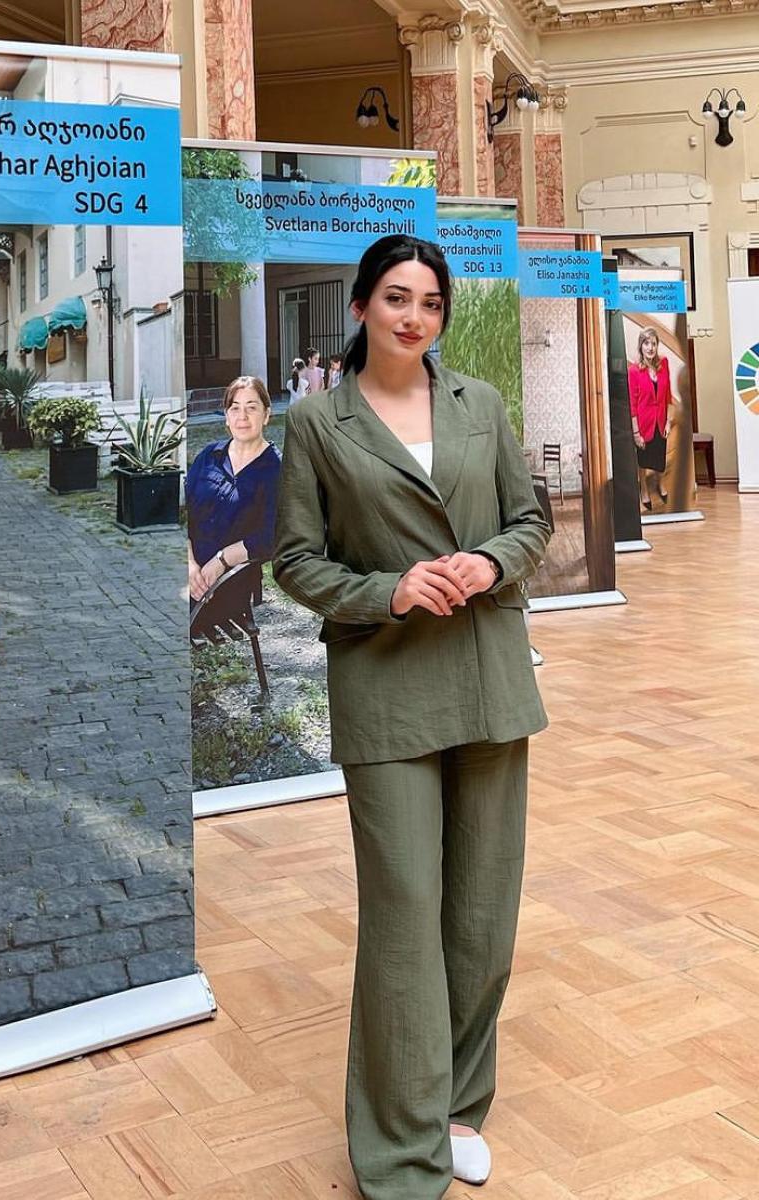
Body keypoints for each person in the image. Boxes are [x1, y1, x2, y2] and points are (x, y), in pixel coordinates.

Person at [272, 235, 551, 1200]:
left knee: (481, 917)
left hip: (488, 678)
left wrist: (491, 563)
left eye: (431, 302)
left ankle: (459, 1107)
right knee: (403, 921)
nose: (414, 318)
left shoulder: (481, 404)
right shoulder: (316, 422)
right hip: (388, 688)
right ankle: (397, 1156)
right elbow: (296, 562)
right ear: (358, 309)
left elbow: (532, 519)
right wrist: (390, 592)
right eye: (396, 298)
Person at [186, 376, 281, 603]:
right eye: (235, 408)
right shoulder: (209, 455)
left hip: (229, 581)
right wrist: (189, 564)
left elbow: (271, 537)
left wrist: (221, 561)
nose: (242, 417)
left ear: (266, 415)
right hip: (188, 572)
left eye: (251, 408)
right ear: (227, 417)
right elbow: (181, 512)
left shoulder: (277, 468)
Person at [628, 325, 676, 511]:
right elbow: (633, 404)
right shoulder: (634, 371)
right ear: (641, 346)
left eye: (653, 343)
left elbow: (668, 397)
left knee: (659, 458)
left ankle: (660, 484)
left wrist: (668, 422)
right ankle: (644, 489)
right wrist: (636, 433)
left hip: (661, 421)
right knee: (643, 461)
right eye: (646, 343)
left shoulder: (663, 365)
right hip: (643, 424)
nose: (650, 347)